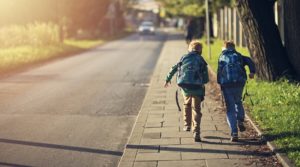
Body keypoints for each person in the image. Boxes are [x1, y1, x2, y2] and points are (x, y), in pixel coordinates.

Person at [164, 41, 209, 142]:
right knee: (196, 110)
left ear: (190, 49)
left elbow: (174, 68)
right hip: (197, 88)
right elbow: (206, 77)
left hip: (185, 87)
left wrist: (168, 79)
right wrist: (203, 81)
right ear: (200, 50)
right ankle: (196, 131)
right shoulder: (201, 59)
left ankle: (187, 124)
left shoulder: (184, 57)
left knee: (187, 104)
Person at [217, 41, 256, 142]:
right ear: (233, 47)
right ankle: (240, 120)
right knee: (238, 101)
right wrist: (252, 72)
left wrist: (220, 83)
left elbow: (219, 72)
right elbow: (250, 61)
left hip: (226, 85)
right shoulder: (239, 56)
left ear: (224, 48)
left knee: (230, 108)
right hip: (239, 83)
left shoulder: (221, 57)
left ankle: (234, 133)